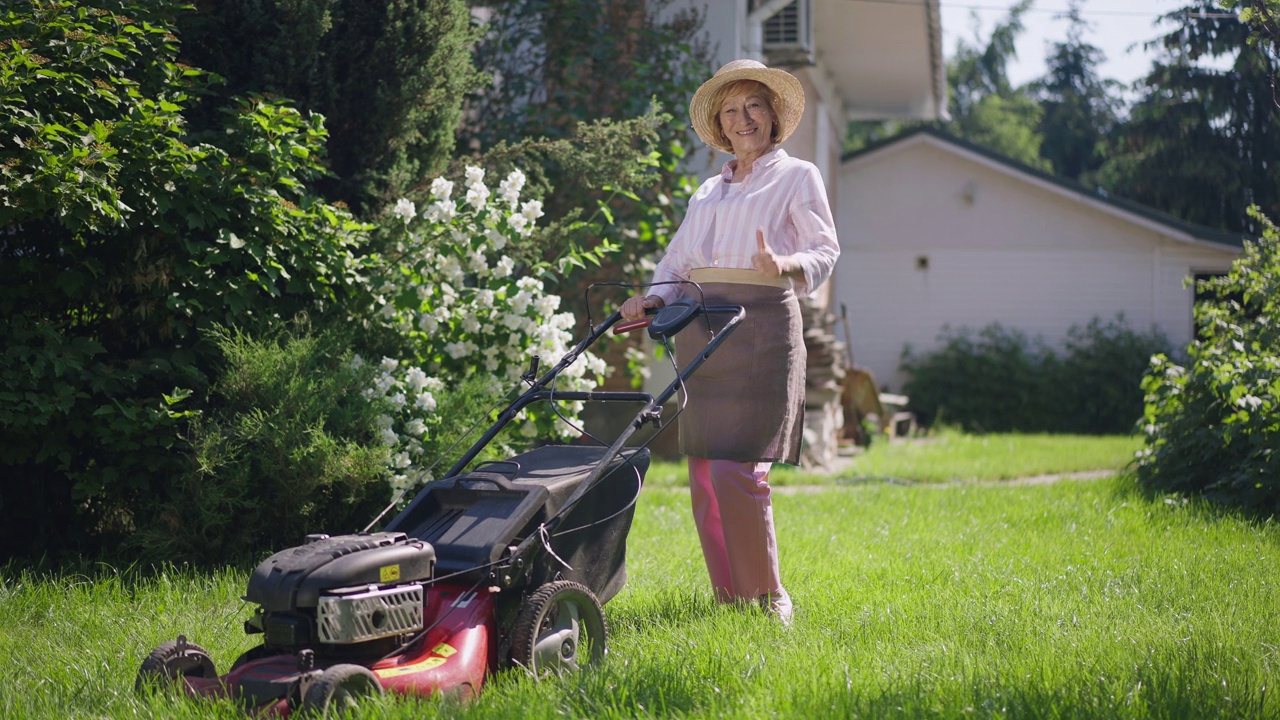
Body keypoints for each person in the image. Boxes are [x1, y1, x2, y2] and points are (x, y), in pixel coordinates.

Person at [620, 59, 840, 626]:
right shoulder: (706, 192)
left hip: (762, 325)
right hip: (703, 330)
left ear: (773, 117)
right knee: (702, 474)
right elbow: (677, 261)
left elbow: (824, 250)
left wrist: (783, 262)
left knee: (736, 472)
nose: (743, 118)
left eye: (754, 106)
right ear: (720, 123)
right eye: (731, 109)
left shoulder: (798, 176)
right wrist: (649, 298)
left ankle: (769, 600)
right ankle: (730, 600)